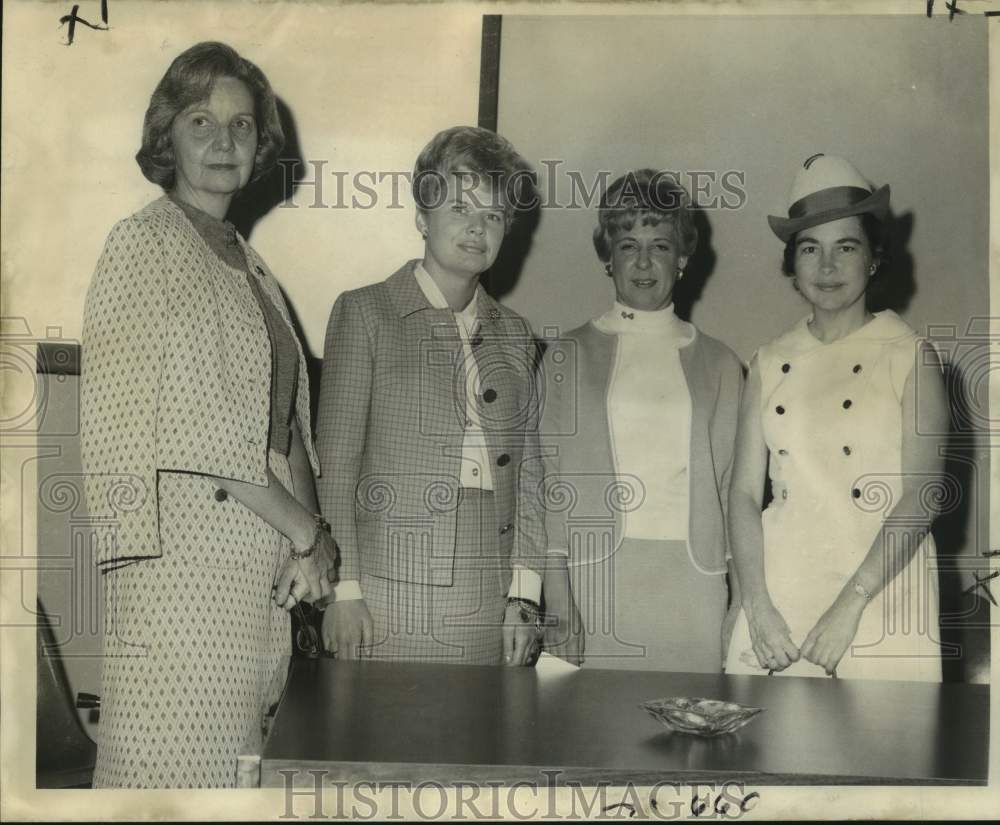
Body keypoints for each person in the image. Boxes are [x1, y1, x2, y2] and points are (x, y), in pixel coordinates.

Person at [80, 42, 333, 788]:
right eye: (201, 121)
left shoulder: (250, 265)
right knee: (171, 781)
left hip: (258, 576)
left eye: (243, 125)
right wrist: (308, 532)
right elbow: (195, 427)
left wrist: (305, 551)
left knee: (237, 781)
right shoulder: (142, 243)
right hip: (180, 576)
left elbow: (287, 427)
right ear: (169, 137)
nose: (224, 141)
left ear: (261, 145)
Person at [316, 126, 545, 666]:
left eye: (493, 216)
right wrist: (343, 591)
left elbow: (532, 473)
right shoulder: (365, 313)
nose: (477, 227)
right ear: (422, 215)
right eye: (460, 207)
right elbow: (338, 461)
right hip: (385, 590)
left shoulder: (515, 333)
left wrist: (525, 596)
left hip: (488, 591)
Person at [724, 154, 947, 681]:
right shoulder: (767, 361)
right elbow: (742, 495)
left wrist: (852, 605)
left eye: (845, 247)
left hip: (883, 593)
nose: (827, 268)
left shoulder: (909, 354)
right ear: (792, 265)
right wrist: (755, 605)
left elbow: (925, 493)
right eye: (810, 249)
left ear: (872, 259)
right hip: (780, 598)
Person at [538, 169, 745, 672]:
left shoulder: (721, 363)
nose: (645, 261)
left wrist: (740, 599)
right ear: (607, 258)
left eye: (661, 244)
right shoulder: (566, 354)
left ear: (684, 258)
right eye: (628, 244)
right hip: (594, 580)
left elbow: (733, 489)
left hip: (694, 582)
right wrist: (557, 595)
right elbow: (547, 482)